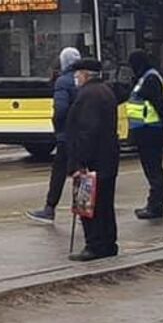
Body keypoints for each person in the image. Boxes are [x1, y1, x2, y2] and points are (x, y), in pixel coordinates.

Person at [65, 58, 120, 261]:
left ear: (86, 75)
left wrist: (80, 162)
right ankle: (108, 243)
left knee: (90, 205)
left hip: (92, 162)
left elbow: (86, 131)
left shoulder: (88, 95)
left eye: (77, 74)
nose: (76, 78)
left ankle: (94, 245)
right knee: (105, 203)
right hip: (108, 159)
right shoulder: (105, 91)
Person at [28, 47, 81, 224]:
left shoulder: (63, 82)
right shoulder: (84, 79)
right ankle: (84, 210)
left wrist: (58, 128)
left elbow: (60, 109)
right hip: (84, 135)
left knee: (58, 173)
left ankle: (49, 209)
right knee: (82, 172)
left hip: (66, 136)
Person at [126, 49, 163, 219]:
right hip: (144, 131)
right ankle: (153, 204)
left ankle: (155, 206)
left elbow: (158, 104)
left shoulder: (150, 78)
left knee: (154, 170)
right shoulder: (143, 77)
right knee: (151, 170)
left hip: (151, 130)